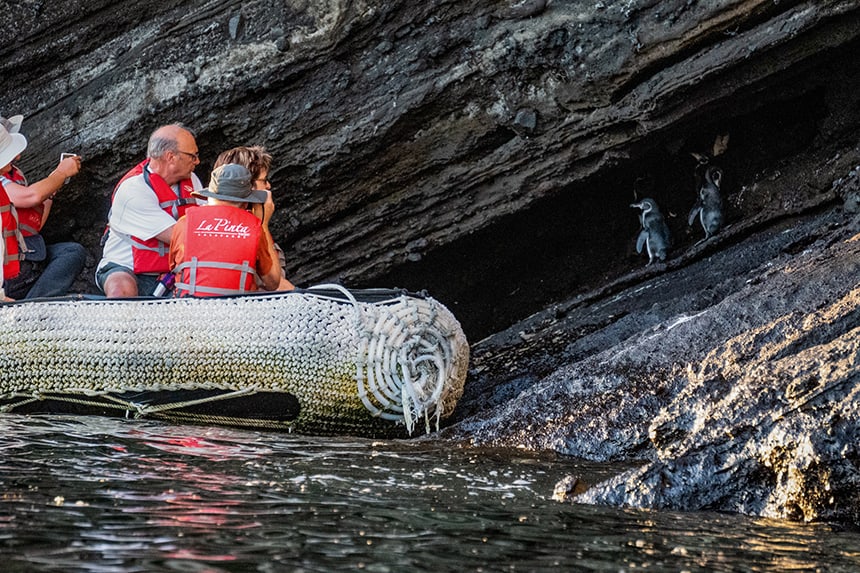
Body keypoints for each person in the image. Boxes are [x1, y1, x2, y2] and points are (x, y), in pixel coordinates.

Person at [96, 123, 204, 297]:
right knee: (121, 289)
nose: (197, 161)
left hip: (172, 272)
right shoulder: (133, 190)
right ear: (171, 157)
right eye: (193, 156)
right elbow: (182, 237)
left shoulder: (192, 181)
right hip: (128, 268)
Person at [0, 115, 87, 299]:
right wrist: (60, 174)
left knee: (72, 252)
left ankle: (34, 303)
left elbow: (34, 224)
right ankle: (28, 309)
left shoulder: (16, 175)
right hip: (7, 268)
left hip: (27, 254)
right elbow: (31, 196)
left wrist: (51, 191)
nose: (17, 156)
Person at [168, 163, 287, 296]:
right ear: (246, 202)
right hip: (237, 311)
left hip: (190, 309)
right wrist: (263, 224)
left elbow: (173, 266)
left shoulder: (184, 223)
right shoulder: (254, 227)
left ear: (209, 196)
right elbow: (272, 282)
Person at [212, 145, 294, 290]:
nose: (268, 186)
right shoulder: (246, 231)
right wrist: (262, 225)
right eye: (264, 180)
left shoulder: (203, 223)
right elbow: (274, 284)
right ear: (246, 185)